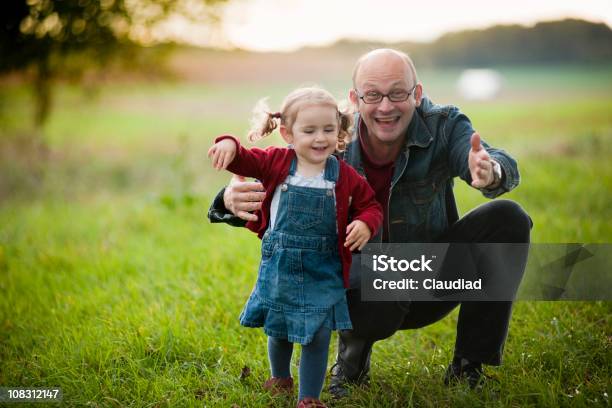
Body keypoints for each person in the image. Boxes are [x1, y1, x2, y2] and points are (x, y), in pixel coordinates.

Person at [208, 49, 532, 395]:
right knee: (365, 264)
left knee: (508, 218)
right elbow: (279, 182)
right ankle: (352, 361)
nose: (386, 107)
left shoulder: (443, 124)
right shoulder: (331, 140)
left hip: (431, 280)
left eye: (398, 93)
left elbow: (491, 159)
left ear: (417, 94)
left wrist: (489, 170)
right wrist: (226, 200)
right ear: (355, 99)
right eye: (373, 95)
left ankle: (468, 366)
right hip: (363, 294)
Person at [207, 87, 383, 407]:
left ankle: (309, 398)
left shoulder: (343, 175)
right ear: (287, 133)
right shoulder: (276, 161)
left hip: (324, 266)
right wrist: (229, 143)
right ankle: (280, 377)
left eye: (329, 130)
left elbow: (370, 205)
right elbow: (245, 158)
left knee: (317, 334)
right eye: (309, 130)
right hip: (281, 263)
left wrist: (366, 223)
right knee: (280, 328)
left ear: (340, 131)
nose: (320, 138)